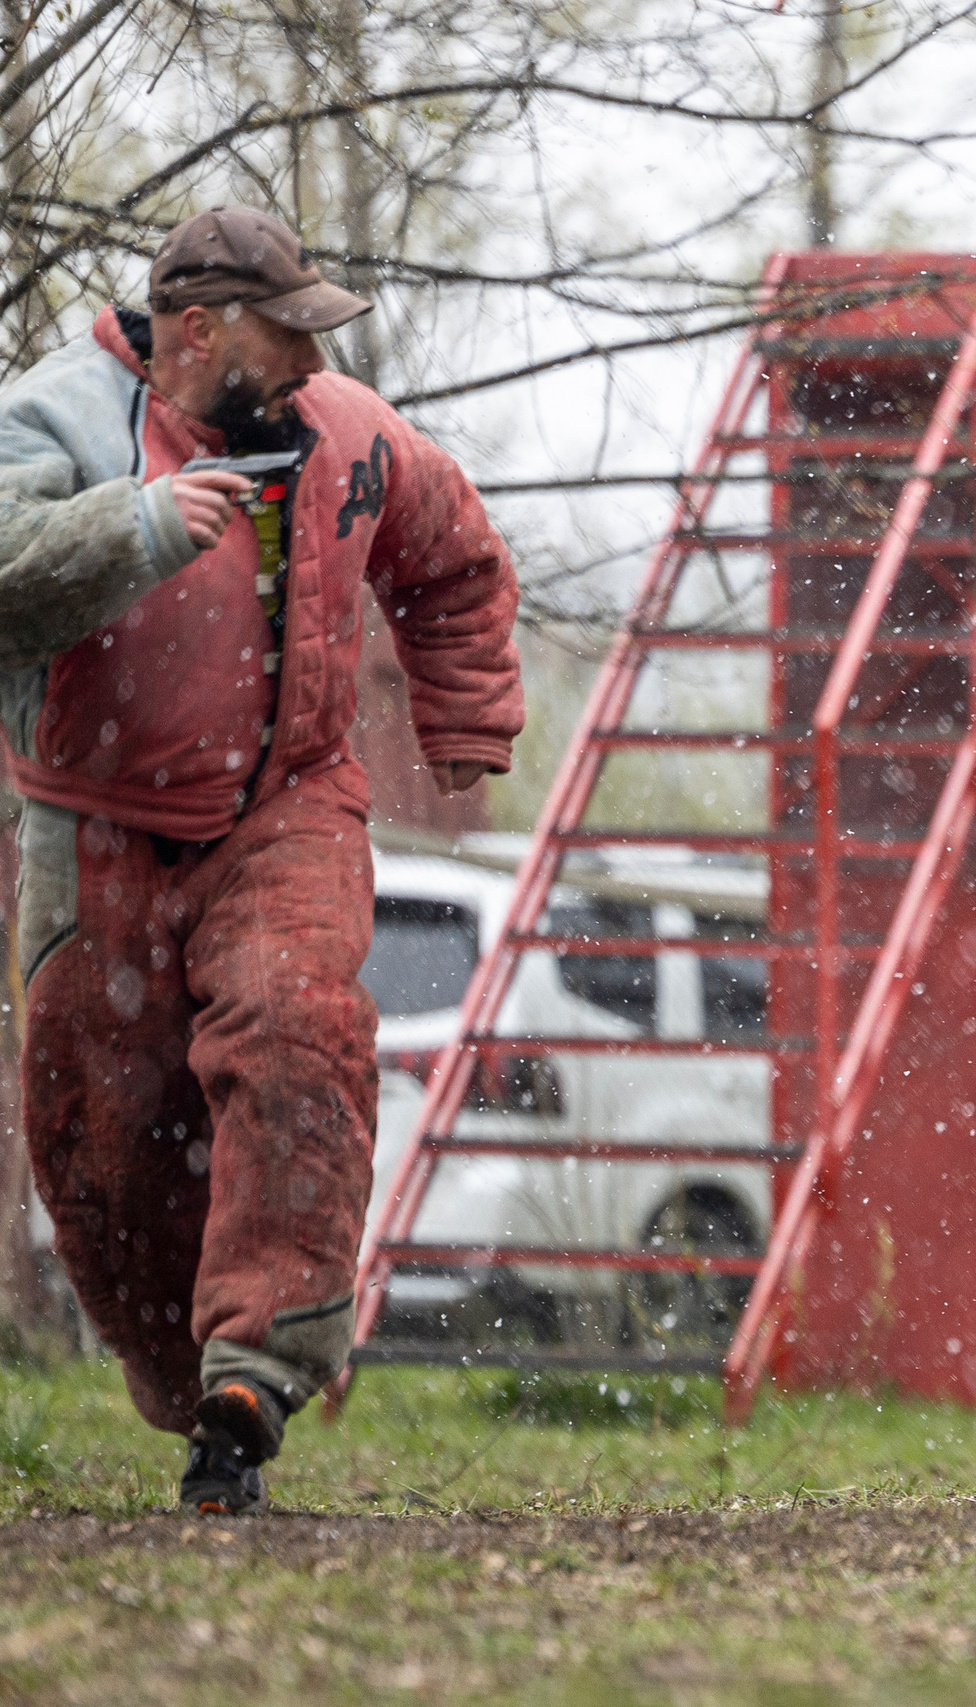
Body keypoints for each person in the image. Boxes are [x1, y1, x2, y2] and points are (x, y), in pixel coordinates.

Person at [0, 207, 523, 1513]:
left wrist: (465, 710)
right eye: (281, 334)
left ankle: (257, 1370)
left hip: (288, 806)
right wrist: (140, 524)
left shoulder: (353, 430)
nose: (305, 361)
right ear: (194, 331)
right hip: (92, 822)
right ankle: (188, 1383)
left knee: (300, 1032)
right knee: (99, 1141)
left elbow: (453, 555)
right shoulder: (54, 417)